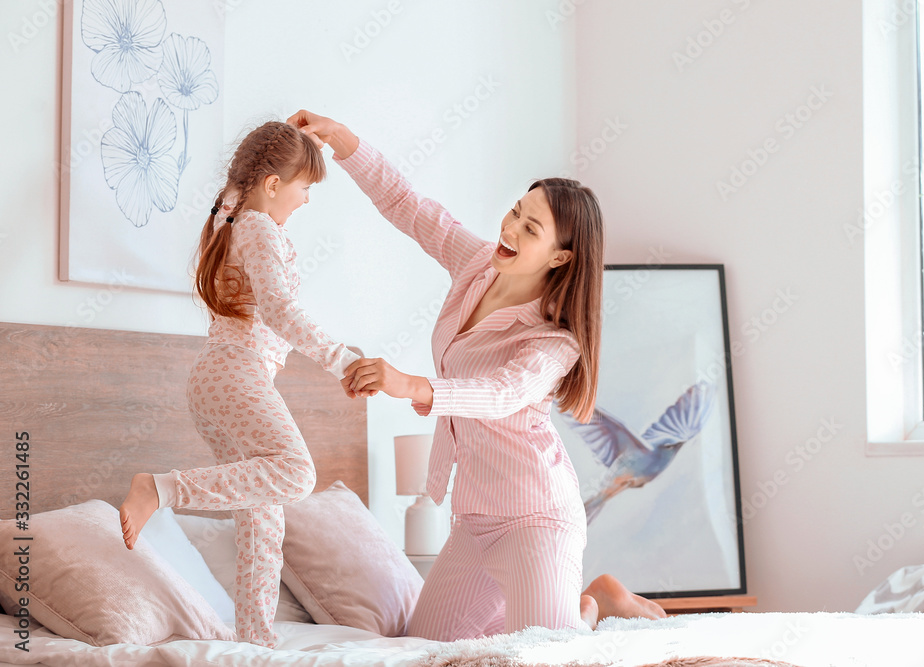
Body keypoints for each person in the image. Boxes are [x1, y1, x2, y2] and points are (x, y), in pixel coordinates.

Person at [287, 110, 666, 640]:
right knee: (426, 653)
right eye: (515, 212)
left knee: (544, 654)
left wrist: (409, 385)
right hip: (474, 521)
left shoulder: (555, 340)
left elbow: (499, 394)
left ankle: (593, 606)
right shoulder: (478, 263)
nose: (508, 229)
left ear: (560, 257)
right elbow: (408, 206)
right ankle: (585, 606)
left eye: (529, 229)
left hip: (537, 519)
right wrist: (345, 141)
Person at [118, 121, 362, 648]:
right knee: (296, 474)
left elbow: (246, 187)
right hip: (236, 372)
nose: (305, 200)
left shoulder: (235, 219)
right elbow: (278, 309)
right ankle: (159, 489)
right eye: (304, 188)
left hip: (220, 378)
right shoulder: (259, 227)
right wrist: (340, 359)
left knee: (262, 514)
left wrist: (296, 143)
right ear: (273, 184)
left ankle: (254, 638)